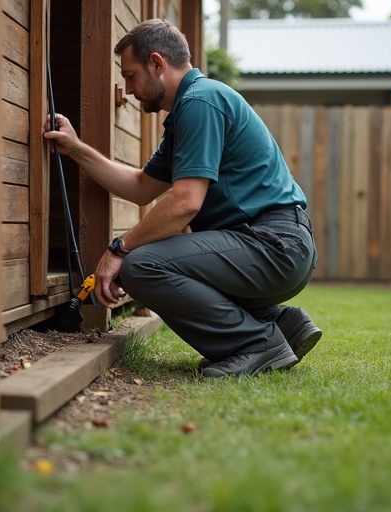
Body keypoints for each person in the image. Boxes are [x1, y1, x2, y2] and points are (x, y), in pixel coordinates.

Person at [44, 18, 321, 378]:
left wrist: (118, 249)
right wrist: (76, 148)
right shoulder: (190, 111)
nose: (127, 90)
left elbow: (185, 202)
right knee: (152, 260)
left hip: (271, 243)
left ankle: (254, 342)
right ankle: (280, 324)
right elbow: (142, 185)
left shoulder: (201, 102)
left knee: (142, 265)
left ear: (157, 64)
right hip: (276, 244)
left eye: (130, 76)